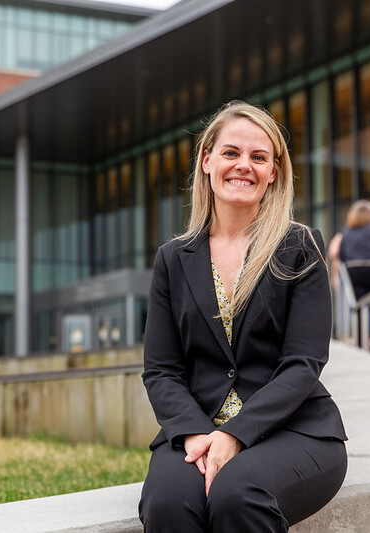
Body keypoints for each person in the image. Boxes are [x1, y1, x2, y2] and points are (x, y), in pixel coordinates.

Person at [138, 101, 348, 533]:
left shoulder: (301, 246)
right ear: (206, 160)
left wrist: (235, 434)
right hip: (195, 429)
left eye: (259, 157)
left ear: (274, 171)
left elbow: (303, 363)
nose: (243, 166)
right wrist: (197, 433)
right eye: (231, 153)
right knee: (168, 504)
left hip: (295, 430)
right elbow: (161, 369)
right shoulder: (173, 259)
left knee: (238, 496)